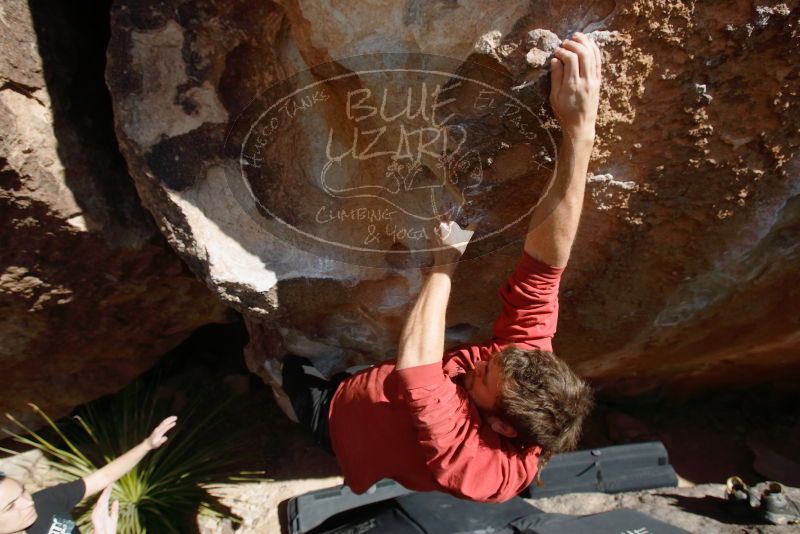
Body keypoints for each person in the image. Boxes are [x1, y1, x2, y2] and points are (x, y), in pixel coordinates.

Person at [282, 31, 601, 503]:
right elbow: (546, 264)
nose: (482, 360)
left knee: (292, 373)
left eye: (483, 376)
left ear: (497, 423)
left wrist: (444, 264)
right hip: (372, 387)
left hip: (339, 423)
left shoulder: (481, 469)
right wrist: (580, 130)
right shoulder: (525, 367)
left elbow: (417, 371)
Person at [0, 416, 176, 534]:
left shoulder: (44, 502)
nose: (28, 502)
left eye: (23, 491)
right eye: (10, 506)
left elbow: (103, 476)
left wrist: (146, 445)